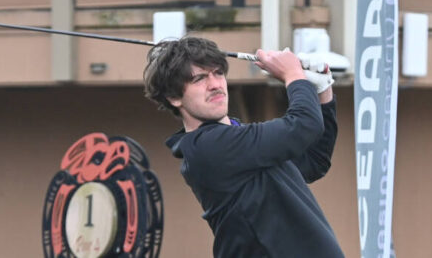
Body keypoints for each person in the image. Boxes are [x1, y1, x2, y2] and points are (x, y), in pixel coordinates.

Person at [143, 37, 344, 257]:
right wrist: (293, 75)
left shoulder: (236, 141)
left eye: (218, 73)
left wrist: (323, 89)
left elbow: (313, 162)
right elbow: (303, 126)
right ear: (174, 97)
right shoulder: (208, 147)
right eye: (200, 78)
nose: (215, 84)